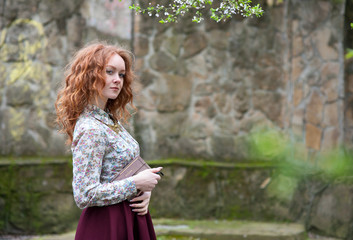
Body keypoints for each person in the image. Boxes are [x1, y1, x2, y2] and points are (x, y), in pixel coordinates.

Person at [55, 42, 162, 240]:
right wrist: (135, 183)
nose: (117, 80)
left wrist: (142, 191)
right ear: (90, 75)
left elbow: (119, 172)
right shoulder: (90, 128)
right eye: (110, 72)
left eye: (121, 74)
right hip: (107, 224)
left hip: (130, 215)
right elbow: (84, 194)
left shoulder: (108, 119)